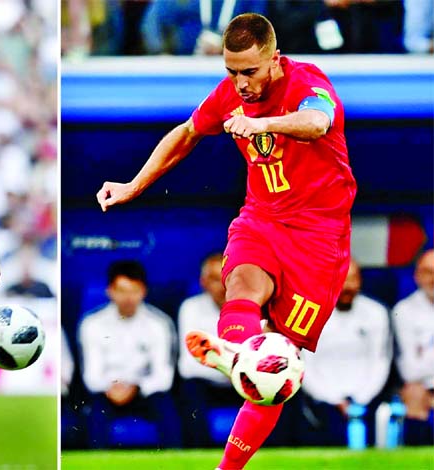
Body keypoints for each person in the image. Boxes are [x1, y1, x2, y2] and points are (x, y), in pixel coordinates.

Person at [97, 13, 356, 468]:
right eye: (231, 71)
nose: (239, 83)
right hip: (263, 219)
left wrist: (264, 125)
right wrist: (134, 185)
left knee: (280, 368)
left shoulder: (306, 82)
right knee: (240, 288)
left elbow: (317, 122)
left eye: (249, 72)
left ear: (274, 60)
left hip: (319, 239)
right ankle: (237, 353)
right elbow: (187, 134)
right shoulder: (231, 94)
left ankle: (232, 416)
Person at [77, 260, 181, 448]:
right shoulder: (92, 324)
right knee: (95, 411)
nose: (128, 298)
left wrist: (136, 387)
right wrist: (113, 388)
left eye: (134, 291)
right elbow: (91, 376)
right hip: (107, 392)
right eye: (122, 291)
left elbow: (164, 376)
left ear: (144, 291)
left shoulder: (159, 323)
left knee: (165, 406)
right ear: (110, 291)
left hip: (145, 392)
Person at [300, 259, 392, 446]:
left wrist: (359, 400)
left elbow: (381, 362)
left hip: (366, 400)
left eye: (352, 279)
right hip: (321, 402)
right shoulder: (308, 313)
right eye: (340, 279)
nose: (347, 286)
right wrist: (334, 400)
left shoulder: (376, 313)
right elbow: (304, 366)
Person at [178, 253, 243, 447]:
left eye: (228, 277)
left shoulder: (252, 306)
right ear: (203, 282)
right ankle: (200, 454)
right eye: (215, 279)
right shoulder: (190, 308)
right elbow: (188, 365)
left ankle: (269, 454)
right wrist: (227, 368)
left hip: (242, 380)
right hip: (207, 381)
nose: (223, 286)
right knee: (189, 389)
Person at [391, 248, 434, 445]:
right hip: (422, 386)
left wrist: (425, 354)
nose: (433, 278)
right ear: (417, 276)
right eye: (428, 272)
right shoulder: (405, 310)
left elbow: (421, 364)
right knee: (413, 392)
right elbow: (411, 370)